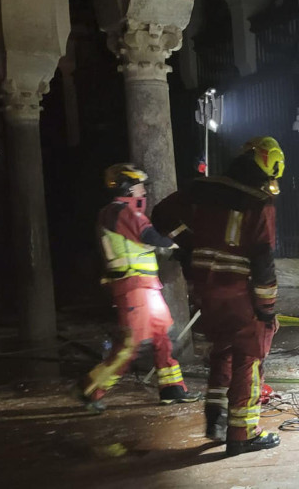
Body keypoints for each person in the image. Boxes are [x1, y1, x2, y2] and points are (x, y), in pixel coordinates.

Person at [153, 137, 285, 457]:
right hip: (240, 291)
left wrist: (189, 245)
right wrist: (267, 309)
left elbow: (160, 214)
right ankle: (242, 433)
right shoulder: (259, 202)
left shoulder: (202, 188)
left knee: (222, 349)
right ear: (267, 167)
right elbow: (263, 259)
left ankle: (216, 420)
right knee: (249, 358)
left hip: (205, 290)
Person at [76, 164, 199, 412]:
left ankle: (172, 389)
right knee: (129, 346)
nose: (144, 191)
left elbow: (144, 244)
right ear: (127, 187)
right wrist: (181, 243)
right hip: (133, 288)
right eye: (140, 186)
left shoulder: (120, 214)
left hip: (146, 286)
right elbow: (150, 237)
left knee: (163, 337)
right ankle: (91, 388)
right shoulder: (120, 212)